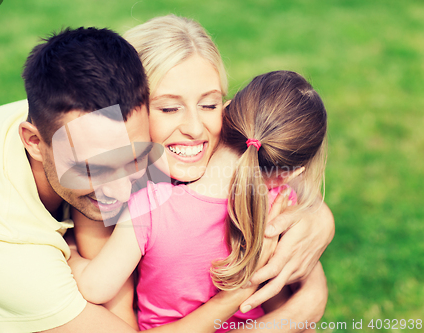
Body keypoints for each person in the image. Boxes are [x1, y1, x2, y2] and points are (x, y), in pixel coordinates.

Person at [0, 26, 246, 333]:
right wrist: (246, 295)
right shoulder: (4, 246)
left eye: (133, 156)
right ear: (34, 142)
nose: (122, 190)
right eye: (93, 168)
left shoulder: (72, 107)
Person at [73, 14, 334, 328]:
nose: (195, 129)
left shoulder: (154, 204)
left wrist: (321, 220)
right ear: (124, 112)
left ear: (229, 107)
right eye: (169, 108)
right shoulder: (105, 195)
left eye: (209, 105)